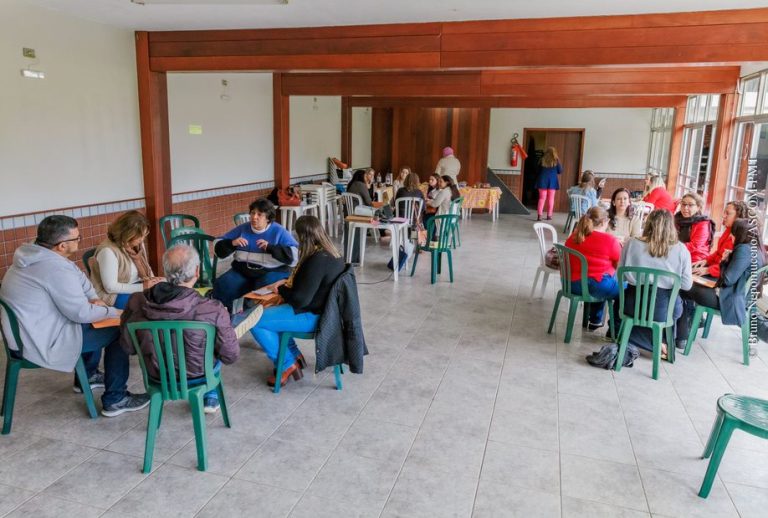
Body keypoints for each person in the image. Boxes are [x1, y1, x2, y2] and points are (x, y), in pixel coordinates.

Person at [0, 215, 149, 417]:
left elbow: (81, 280)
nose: (79, 241)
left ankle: (87, 376)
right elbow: (81, 313)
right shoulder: (53, 268)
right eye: (77, 238)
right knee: (119, 330)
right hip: (39, 341)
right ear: (62, 245)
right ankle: (116, 399)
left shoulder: (35, 254)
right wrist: (114, 312)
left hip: (33, 332)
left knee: (98, 319)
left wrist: (95, 299)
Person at [121, 245, 251, 413]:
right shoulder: (212, 309)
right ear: (197, 272)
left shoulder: (137, 301)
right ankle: (210, 395)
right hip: (198, 376)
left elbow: (128, 347)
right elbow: (230, 356)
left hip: (157, 375)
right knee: (216, 347)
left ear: (166, 271)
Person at [250, 216, 346, 387]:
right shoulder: (333, 254)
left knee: (255, 320)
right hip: (328, 314)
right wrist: (288, 282)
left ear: (303, 237)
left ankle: (287, 364)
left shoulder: (317, 260)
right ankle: (294, 355)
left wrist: (280, 289)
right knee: (272, 316)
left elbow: (300, 300)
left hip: (314, 317)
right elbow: (312, 283)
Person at [678, 218, 764, 348]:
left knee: (683, 287)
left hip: (730, 299)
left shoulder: (743, 249)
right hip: (737, 296)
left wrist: (725, 260)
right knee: (688, 287)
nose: (730, 236)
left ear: (740, 234)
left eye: (733, 233)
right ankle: (683, 333)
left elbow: (728, 279)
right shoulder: (755, 249)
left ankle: (681, 335)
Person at [617, 209, 692, 356]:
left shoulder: (631, 243)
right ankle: (661, 342)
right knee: (677, 307)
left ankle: (636, 340)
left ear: (648, 224)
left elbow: (620, 276)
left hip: (632, 305)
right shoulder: (681, 249)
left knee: (622, 303)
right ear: (671, 226)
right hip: (662, 311)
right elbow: (686, 285)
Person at [212, 198, 298, 312]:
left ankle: (252, 314)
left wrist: (271, 248)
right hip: (243, 270)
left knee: (262, 287)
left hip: (272, 271)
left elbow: (295, 257)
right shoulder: (242, 229)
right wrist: (231, 243)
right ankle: (225, 314)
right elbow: (217, 245)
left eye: (259, 214)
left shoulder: (279, 231)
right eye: (252, 213)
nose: (254, 217)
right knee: (224, 284)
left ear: (268, 218)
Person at [89, 210, 164, 309]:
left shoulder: (136, 245)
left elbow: (147, 267)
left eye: (144, 235)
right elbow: (110, 287)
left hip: (137, 286)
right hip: (114, 295)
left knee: (167, 293)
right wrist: (143, 287)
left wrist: (153, 280)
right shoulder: (108, 251)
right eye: (140, 236)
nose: (142, 239)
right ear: (128, 234)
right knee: (152, 305)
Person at [564, 207, 622, 330]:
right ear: (603, 222)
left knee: (602, 277)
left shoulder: (574, 236)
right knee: (626, 290)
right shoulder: (610, 241)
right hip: (594, 286)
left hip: (570, 284)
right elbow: (620, 265)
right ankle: (615, 330)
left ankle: (596, 319)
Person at [692, 200, 748, 279]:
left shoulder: (741, 237)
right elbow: (718, 252)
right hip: (714, 268)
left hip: (721, 275)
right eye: (724, 212)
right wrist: (706, 261)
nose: (723, 216)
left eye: (727, 213)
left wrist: (708, 270)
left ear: (738, 216)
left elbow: (731, 266)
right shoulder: (728, 230)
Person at [674, 192, 715, 263]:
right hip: (677, 253)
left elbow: (694, 245)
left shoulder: (703, 223)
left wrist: (671, 248)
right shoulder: (676, 218)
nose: (685, 208)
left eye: (690, 205)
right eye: (683, 204)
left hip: (695, 258)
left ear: (698, 207)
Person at [535, 146, 562, 221]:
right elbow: (560, 171)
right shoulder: (556, 160)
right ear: (554, 153)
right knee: (551, 199)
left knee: (541, 198)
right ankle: (549, 216)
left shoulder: (541, 160)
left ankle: (539, 216)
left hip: (542, 181)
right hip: (552, 182)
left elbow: (537, 170)